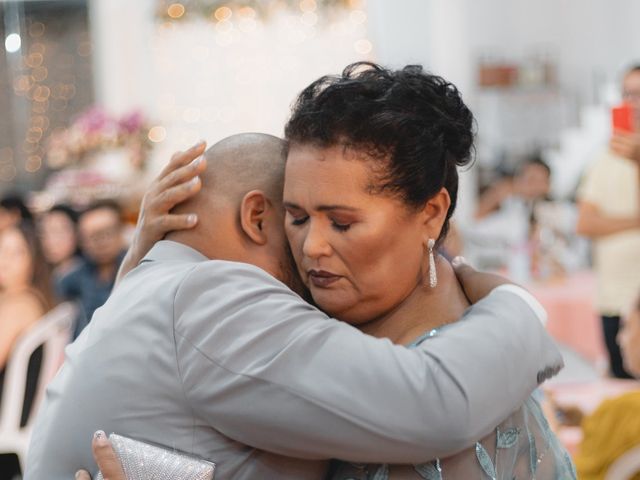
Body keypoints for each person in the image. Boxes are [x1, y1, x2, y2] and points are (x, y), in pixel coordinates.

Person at [26, 133, 563, 480]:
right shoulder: (213, 296)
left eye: (341, 221)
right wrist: (518, 306)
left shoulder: (152, 289)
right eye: (297, 219)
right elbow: (437, 403)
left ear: (429, 216)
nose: (313, 251)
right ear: (258, 218)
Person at [576, 64, 640, 379]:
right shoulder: (607, 158)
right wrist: (634, 221)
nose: (634, 102)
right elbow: (585, 223)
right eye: (628, 94)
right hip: (614, 298)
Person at [0, 221, 53, 480]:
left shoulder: (21, 303)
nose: (4, 260)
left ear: (35, 259)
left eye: (16, 252)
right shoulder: (24, 297)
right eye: (0, 249)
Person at [57, 200, 126, 338]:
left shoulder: (138, 268)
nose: (101, 242)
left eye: (107, 232)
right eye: (92, 237)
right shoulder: (76, 275)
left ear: (121, 231)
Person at [475, 156, 551, 221]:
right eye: (531, 180)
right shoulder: (504, 191)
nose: (534, 187)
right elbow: (474, 217)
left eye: (541, 182)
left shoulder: (528, 205)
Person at [38, 204, 82, 296]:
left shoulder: (85, 277)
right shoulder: (45, 274)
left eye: (58, 232)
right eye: (44, 233)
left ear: (77, 233)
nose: (50, 240)